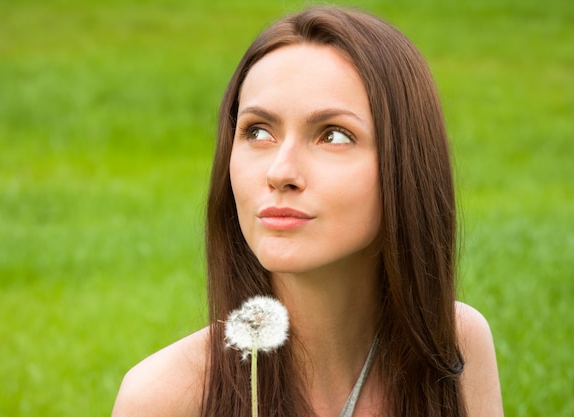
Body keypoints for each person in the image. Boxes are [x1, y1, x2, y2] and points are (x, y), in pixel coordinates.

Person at [112, 5, 503, 417]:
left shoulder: (455, 345)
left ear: (405, 165)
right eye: (257, 131)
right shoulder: (165, 397)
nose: (280, 172)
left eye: (332, 135)